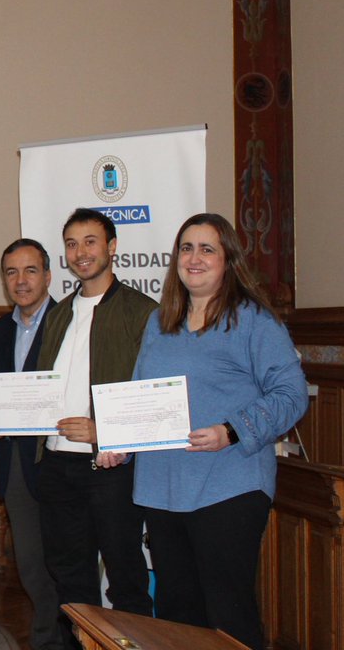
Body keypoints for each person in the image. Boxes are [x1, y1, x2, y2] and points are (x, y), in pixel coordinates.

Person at [131, 213, 307, 650]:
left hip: (229, 486)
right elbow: (140, 398)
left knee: (228, 615)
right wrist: (118, 445)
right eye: (186, 248)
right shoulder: (159, 322)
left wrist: (232, 430)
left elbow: (292, 394)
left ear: (228, 259)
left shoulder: (254, 321)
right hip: (163, 490)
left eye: (207, 249)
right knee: (176, 614)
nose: (194, 258)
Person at [35, 208, 155, 630]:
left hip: (109, 467)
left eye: (90, 241)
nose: (80, 252)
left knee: (125, 578)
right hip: (56, 464)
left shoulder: (143, 312)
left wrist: (105, 432)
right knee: (70, 580)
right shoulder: (58, 313)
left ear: (112, 247)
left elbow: (154, 395)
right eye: (71, 243)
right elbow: (45, 387)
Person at [0, 239, 64, 650]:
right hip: (16, 463)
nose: (21, 280)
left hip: (64, 461)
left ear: (48, 276)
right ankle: (47, 642)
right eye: (11, 272)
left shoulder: (71, 322)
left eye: (30, 271)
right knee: (31, 566)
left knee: (67, 563)